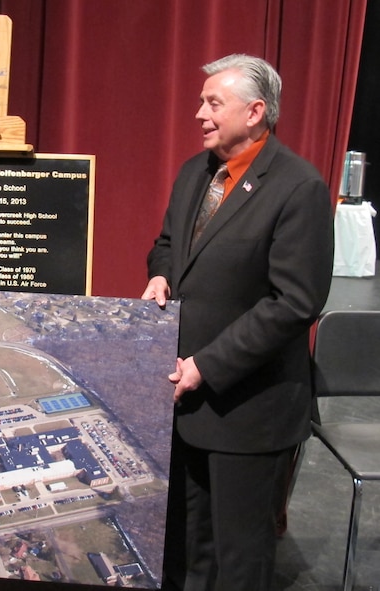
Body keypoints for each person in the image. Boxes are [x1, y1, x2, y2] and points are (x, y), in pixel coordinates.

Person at [141, 54, 333, 591]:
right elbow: (167, 246)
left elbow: (294, 303)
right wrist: (160, 276)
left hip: (250, 409)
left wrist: (208, 364)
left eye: (212, 103)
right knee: (185, 547)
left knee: (240, 561)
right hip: (184, 399)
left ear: (254, 112)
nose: (199, 113)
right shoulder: (192, 173)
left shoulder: (299, 187)